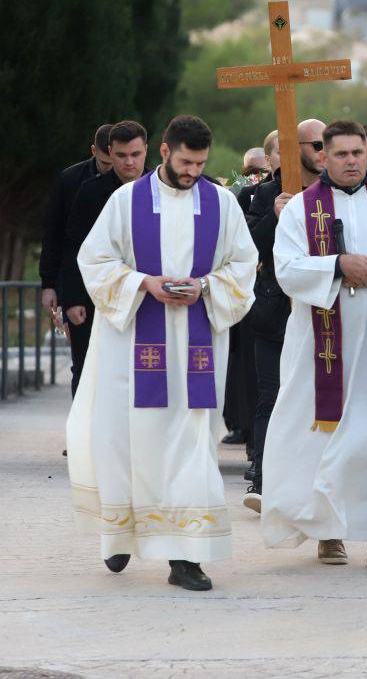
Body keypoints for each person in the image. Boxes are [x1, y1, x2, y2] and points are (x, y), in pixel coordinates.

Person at [66, 115, 258, 591]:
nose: (193, 171)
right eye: (186, 161)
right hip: (130, 344)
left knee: (191, 448)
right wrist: (143, 283)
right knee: (121, 440)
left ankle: (185, 557)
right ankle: (120, 533)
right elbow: (94, 259)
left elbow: (244, 265)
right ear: (165, 152)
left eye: (201, 163)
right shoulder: (125, 201)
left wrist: (206, 286)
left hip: (197, 349)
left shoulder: (222, 204)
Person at [261, 120, 367, 568]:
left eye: (359, 153)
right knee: (323, 437)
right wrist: (337, 265)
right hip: (320, 350)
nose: (352, 161)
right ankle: (328, 533)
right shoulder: (301, 209)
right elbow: (287, 268)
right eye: (341, 154)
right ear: (324, 158)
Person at [239, 119, 326, 509]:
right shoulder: (261, 194)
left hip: (322, 310)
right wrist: (275, 214)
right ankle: (260, 477)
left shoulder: (333, 193)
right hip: (274, 310)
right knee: (269, 396)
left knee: (316, 398)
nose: (324, 152)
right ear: (297, 148)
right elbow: (246, 250)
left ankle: (310, 481)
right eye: (318, 144)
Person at [61, 121, 149, 395]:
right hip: (92, 298)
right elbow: (73, 246)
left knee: (142, 369)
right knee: (87, 368)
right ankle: (85, 437)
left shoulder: (160, 192)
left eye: (135, 155)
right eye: (121, 155)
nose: (129, 162)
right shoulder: (89, 192)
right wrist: (72, 299)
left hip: (145, 294)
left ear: (146, 150)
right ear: (110, 153)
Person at [40, 124, 113, 373]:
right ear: (94, 151)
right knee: (83, 365)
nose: (112, 169)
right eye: (105, 162)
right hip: (79, 283)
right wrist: (49, 283)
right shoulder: (71, 180)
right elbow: (55, 235)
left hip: (116, 283)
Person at [235, 146, 270, 214]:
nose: (254, 177)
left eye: (259, 171)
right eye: (249, 172)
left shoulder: (235, 186)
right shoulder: (275, 185)